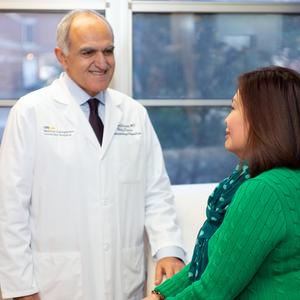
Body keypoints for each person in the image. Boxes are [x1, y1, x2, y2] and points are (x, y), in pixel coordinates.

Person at [0, 9, 186, 300]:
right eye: (89, 52)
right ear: (62, 56)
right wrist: (22, 288)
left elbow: (156, 193)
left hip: (124, 280)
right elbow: (9, 208)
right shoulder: (31, 112)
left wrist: (169, 250)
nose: (102, 62)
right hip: (54, 285)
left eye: (108, 51)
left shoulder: (134, 114)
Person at [144, 65, 300, 300]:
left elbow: (213, 291)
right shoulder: (285, 179)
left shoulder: (262, 190)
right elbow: (218, 263)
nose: (227, 119)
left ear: (264, 118)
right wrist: (160, 295)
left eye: (235, 108)